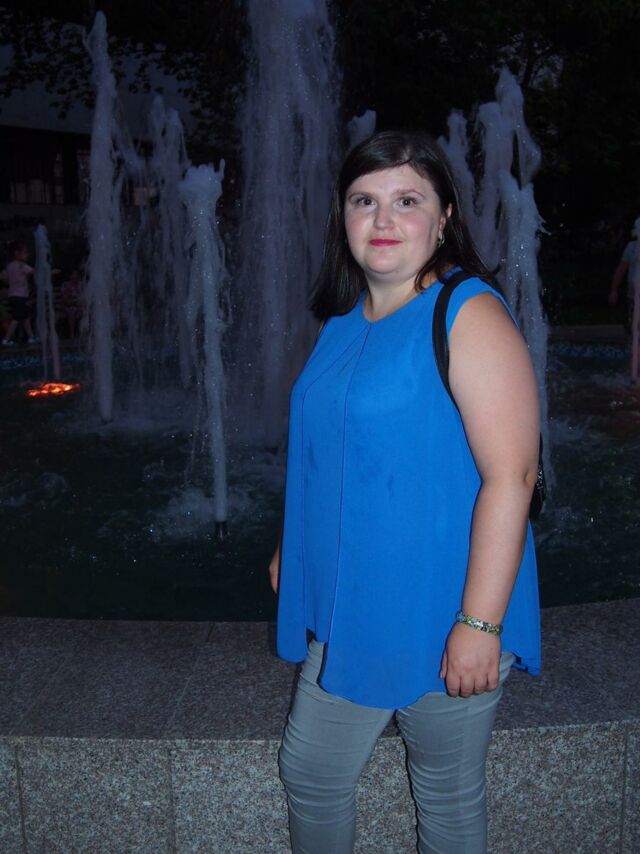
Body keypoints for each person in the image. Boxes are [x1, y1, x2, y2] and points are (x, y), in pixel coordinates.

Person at [268, 130, 541, 853]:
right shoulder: (341, 320)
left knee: (442, 793)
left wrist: (479, 624)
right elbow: (332, 449)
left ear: (444, 217)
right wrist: (292, 545)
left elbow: (512, 476)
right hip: (351, 595)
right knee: (316, 773)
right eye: (364, 201)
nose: (383, 219)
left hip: (440, 599)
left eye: (407, 201)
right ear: (343, 218)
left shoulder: (468, 311)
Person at [609, 218, 640, 386]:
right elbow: (621, 270)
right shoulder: (632, 248)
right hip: (633, 298)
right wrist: (614, 290)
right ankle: (633, 371)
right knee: (634, 333)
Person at [1, 240, 37, 346]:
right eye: (25, 252)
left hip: (13, 295)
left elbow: (4, 278)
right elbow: (34, 272)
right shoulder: (22, 265)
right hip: (20, 296)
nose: (27, 254)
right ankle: (6, 339)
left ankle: (31, 337)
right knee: (17, 318)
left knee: (25, 317)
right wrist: (48, 271)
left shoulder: (9, 266)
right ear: (17, 253)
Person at [60, 269, 83, 340]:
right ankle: (72, 334)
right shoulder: (65, 285)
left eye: (77, 275)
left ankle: (85, 334)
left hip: (79, 306)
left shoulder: (80, 285)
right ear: (70, 276)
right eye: (74, 274)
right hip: (68, 306)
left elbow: (83, 297)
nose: (76, 276)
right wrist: (74, 302)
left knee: (89, 311)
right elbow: (65, 299)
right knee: (72, 311)